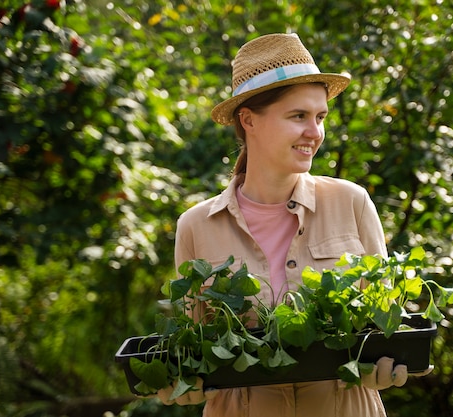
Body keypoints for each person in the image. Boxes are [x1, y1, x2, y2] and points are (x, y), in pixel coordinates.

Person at [157, 33, 430, 417]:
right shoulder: (196, 227)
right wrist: (185, 383)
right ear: (248, 120)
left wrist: (389, 365)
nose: (314, 132)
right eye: (298, 116)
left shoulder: (352, 204)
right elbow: (197, 349)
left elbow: (386, 326)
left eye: (320, 117)